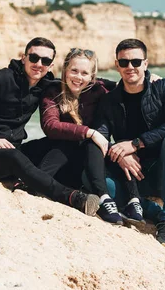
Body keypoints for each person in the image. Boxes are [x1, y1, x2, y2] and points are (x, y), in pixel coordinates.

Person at [0, 37, 100, 216]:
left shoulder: (43, 84)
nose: (39, 64)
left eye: (45, 61)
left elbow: (77, 81)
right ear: (24, 58)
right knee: (14, 155)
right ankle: (72, 197)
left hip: (14, 151)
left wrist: (118, 86)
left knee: (65, 141)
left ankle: (28, 185)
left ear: (51, 65)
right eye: (34, 58)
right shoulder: (0, 79)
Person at [87, 38, 165, 247]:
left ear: (145, 64)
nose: (131, 67)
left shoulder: (163, 87)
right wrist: (120, 153)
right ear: (117, 65)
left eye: (136, 62)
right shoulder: (110, 101)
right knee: (95, 181)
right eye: (125, 62)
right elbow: (101, 136)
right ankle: (153, 211)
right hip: (136, 177)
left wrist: (136, 143)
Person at [37, 48, 145, 225]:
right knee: (90, 141)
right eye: (74, 71)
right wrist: (90, 132)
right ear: (65, 71)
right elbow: (50, 126)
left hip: (90, 155)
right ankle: (104, 199)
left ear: (92, 77)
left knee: (118, 148)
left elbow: (128, 86)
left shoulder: (99, 90)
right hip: (61, 155)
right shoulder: (53, 92)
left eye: (84, 73)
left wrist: (150, 79)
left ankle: (134, 201)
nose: (78, 77)